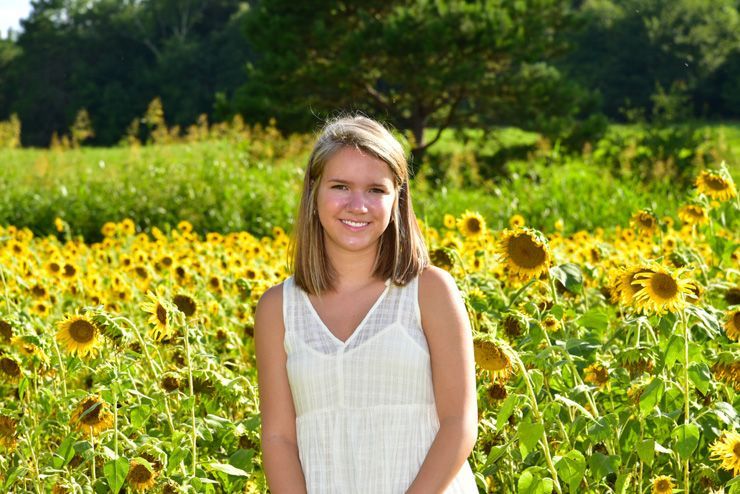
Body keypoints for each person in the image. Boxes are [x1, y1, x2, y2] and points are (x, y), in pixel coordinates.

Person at [254, 115, 478, 493]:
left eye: (376, 190)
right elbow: (279, 439)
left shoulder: (430, 291)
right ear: (314, 191)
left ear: (397, 198)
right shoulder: (278, 309)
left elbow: (459, 422)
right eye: (341, 186)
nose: (358, 205)